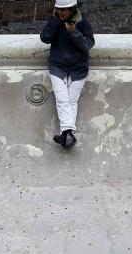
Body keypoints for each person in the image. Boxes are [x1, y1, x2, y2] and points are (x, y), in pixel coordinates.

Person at [39, 0, 95, 149]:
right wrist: (55, 21)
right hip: (57, 66)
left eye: (64, 10)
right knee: (62, 99)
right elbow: (45, 38)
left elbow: (88, 45)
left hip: (78, 68)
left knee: (71, 100)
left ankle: (67, 134)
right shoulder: (56, 20)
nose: (61, 12)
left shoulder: (81, 22)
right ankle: (68, 134)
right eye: (58, 9)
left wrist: (74, 33)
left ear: (72, 10)